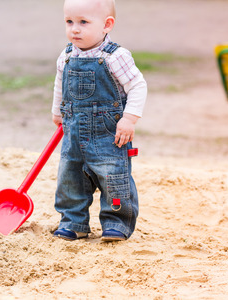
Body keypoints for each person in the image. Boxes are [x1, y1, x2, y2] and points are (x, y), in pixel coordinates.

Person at [52, 0, 147, 242]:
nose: (75, 29)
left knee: (113, 177)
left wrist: (129, 118)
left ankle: (116, 223)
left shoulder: (116, 56)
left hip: (109, 134)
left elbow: (137, 85)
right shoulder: (66, 55)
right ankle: (73, 222)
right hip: (74, 133)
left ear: (107, 25)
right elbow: (60, 86)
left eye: (83, 22)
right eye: (69, 22)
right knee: (70, 178)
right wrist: (57, 112)